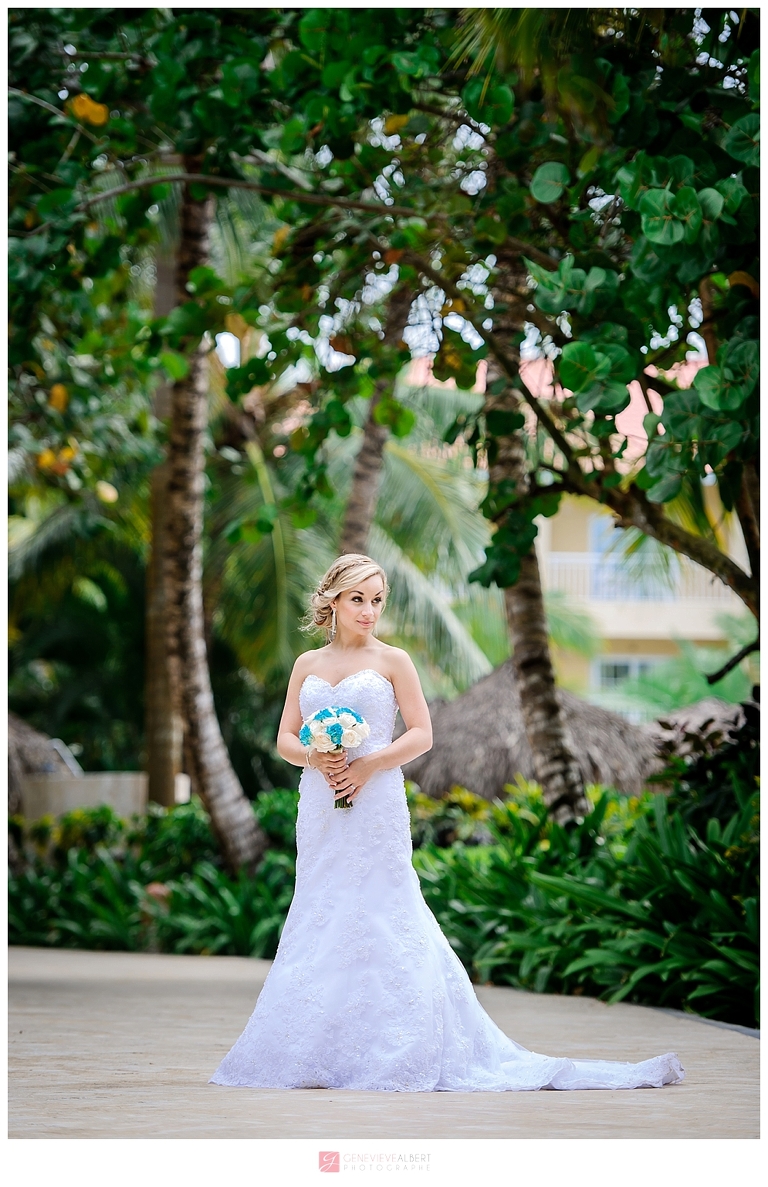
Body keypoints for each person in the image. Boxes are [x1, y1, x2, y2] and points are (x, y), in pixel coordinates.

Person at [210, 554, 683, 1092]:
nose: (369, 611)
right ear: (333, 601)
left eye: (378, 600)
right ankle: (317, 1046)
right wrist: (317, 759)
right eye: (358, 599)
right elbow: (285, 739)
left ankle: (399, 1043)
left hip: (377, 796)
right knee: (322, 905)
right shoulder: (306, 665)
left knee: (385, 905)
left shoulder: (394, 662)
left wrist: (366, 764)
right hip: (320, 802)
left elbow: (421, 735)